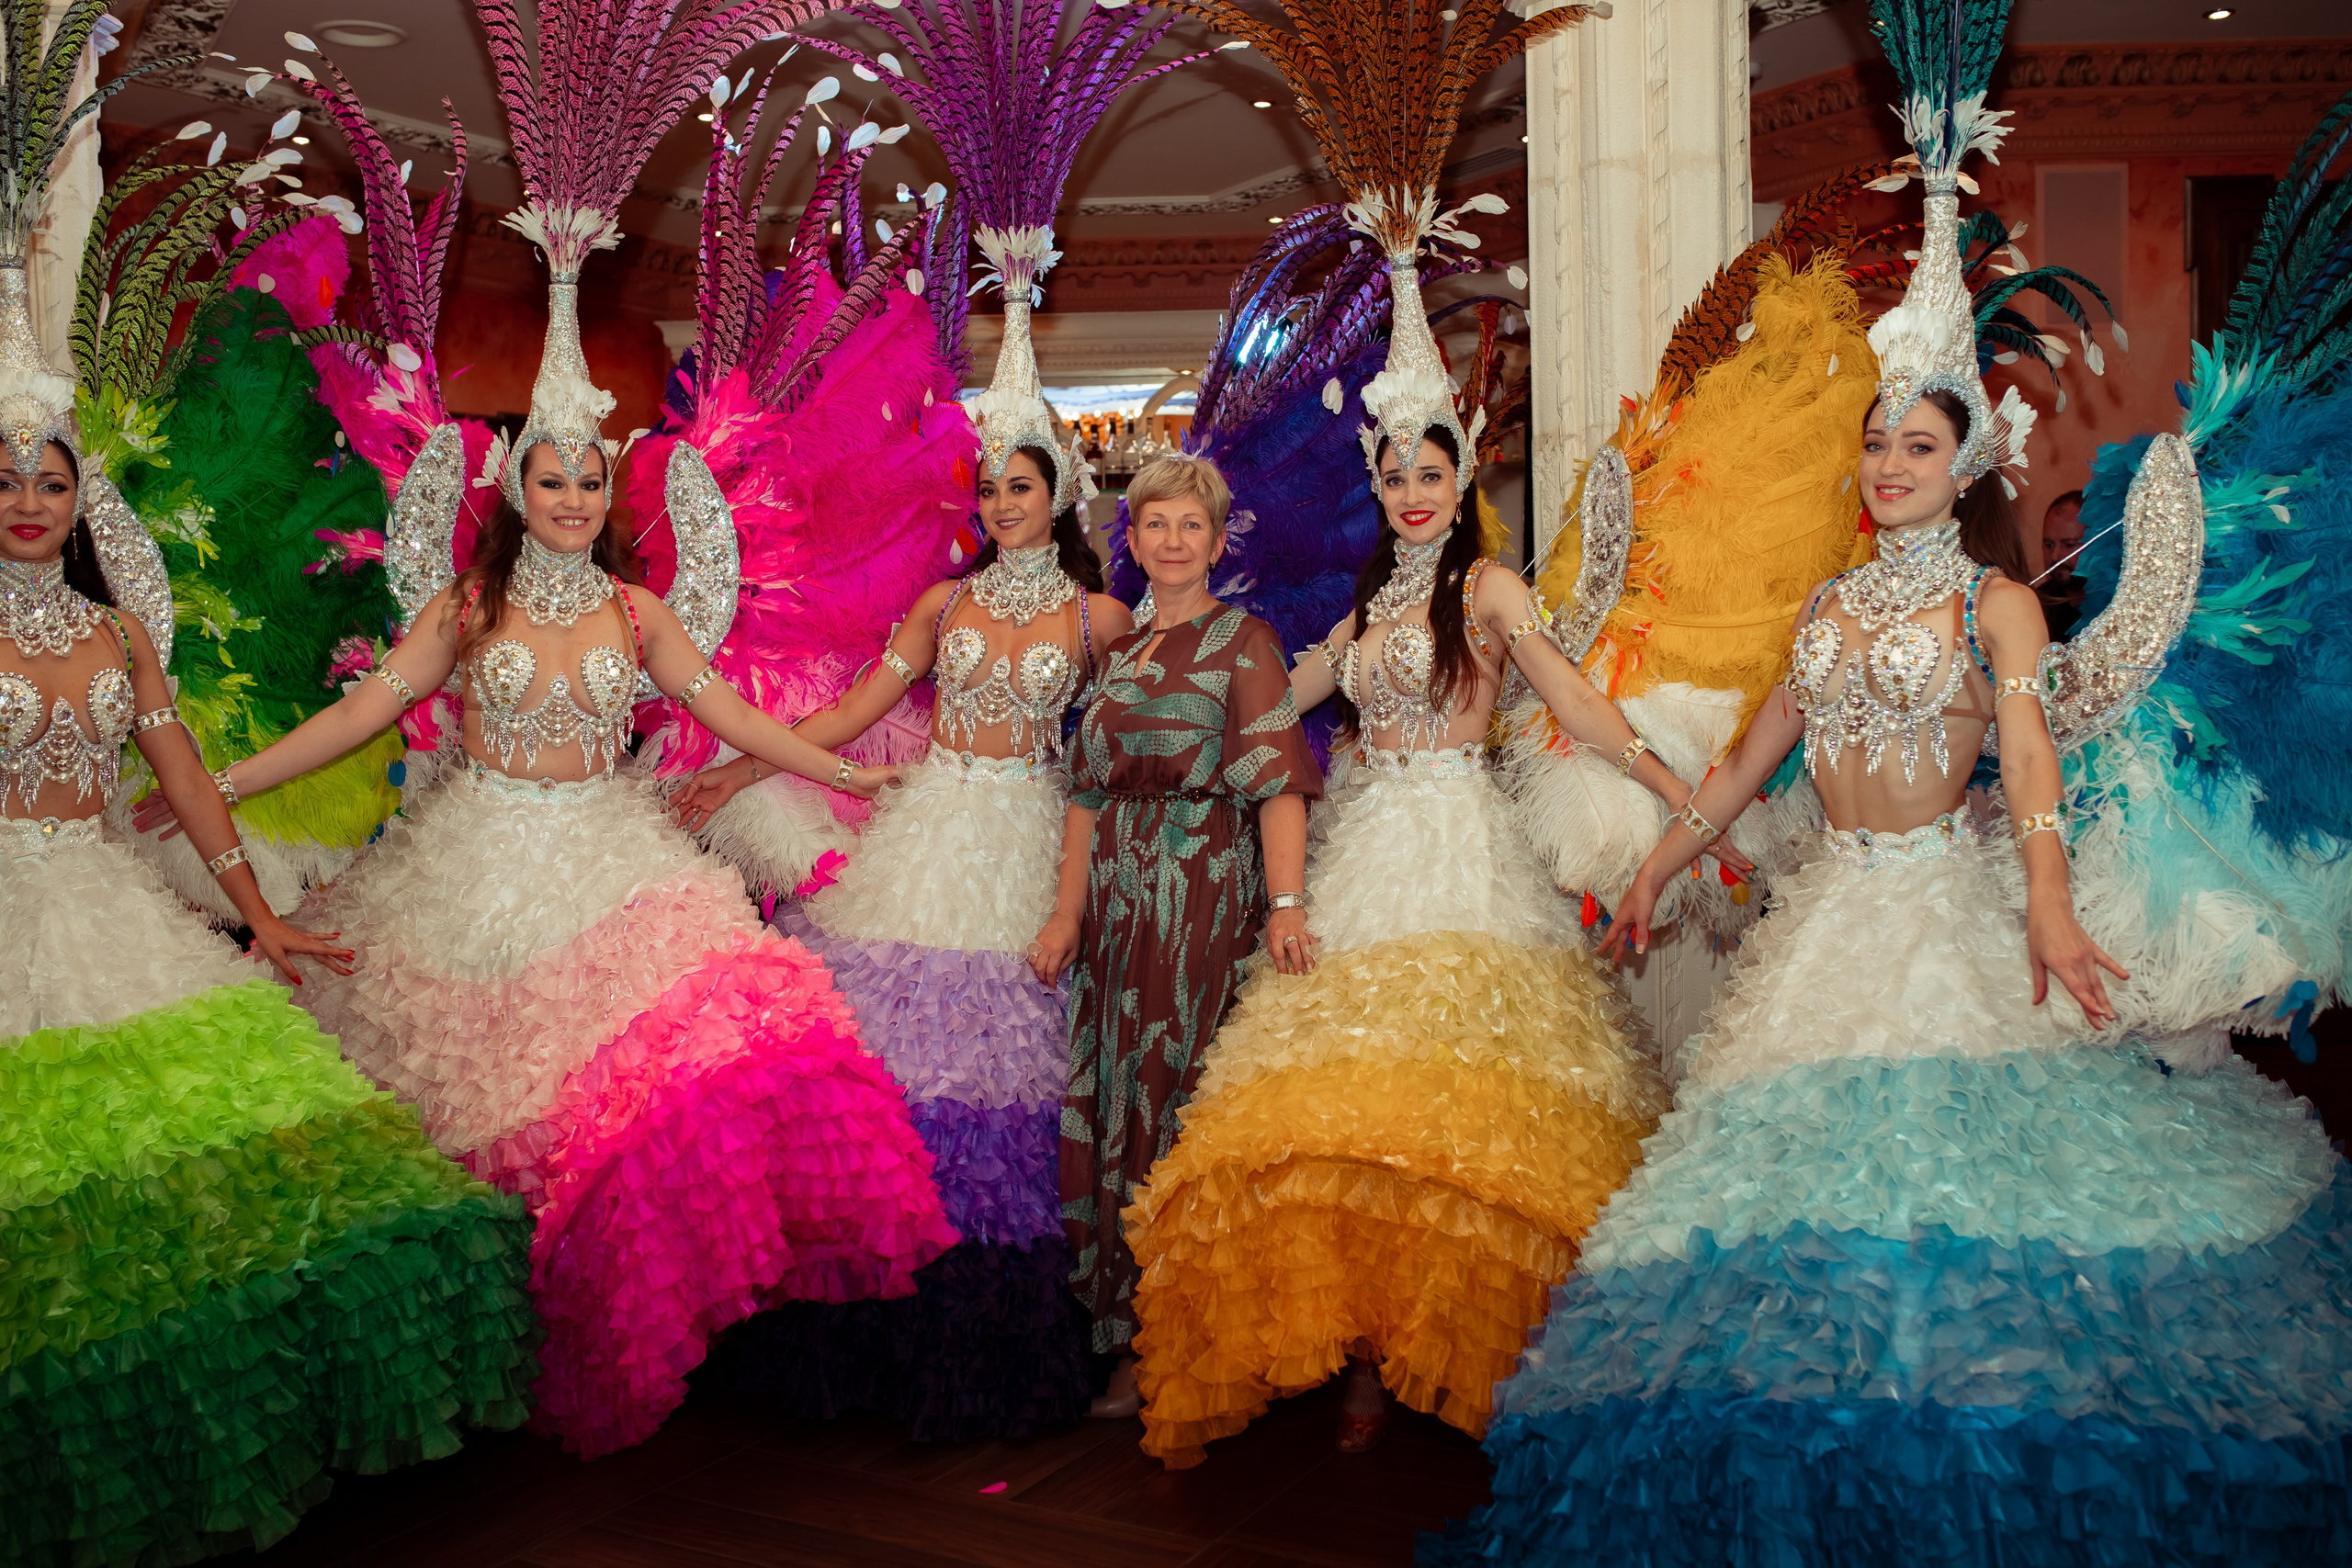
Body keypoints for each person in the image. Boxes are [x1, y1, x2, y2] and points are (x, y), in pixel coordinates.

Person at [1428, 21, 2352, 1555]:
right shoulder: (1830, 606)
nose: (1884, 463)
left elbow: (2036, 756)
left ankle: (1953, 1464)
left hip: (1956, 916)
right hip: (1827, 919)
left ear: (1962, 454)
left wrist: (2051, 907)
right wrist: (1664, 861)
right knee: (1789, 1198)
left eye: (1914, 444)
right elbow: (1748, 756)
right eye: (1874, 441)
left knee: (1960, 1196)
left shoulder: (1993, 606)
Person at [1, 423, 537, 1555]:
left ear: (78, 504)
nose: (31, 501)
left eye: (52, 481)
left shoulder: (118, 631)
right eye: (6, 481)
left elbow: (183, 773)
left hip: (106, 906)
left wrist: (258, 913)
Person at [673, 427, 1128, 1438]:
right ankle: (866, 1333)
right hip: (926, 832)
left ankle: (1004, 1336)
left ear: (1058, 498)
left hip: (1028, 841)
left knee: (1011, 1072)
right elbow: (848, 710)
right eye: (991, 489)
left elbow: (1129, 742)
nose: (1003, 503)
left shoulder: (1102, 618)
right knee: (887, 1064)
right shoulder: (944, 604)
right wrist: (744, 769)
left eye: (1021, 487)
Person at [1048, 451, 1322, 1418]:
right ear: (1133, 537)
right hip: (1116, 904)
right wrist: (1067, 912)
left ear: (1216, 539)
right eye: (1155, 523)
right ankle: (1120, 1328)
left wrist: (1285, 908)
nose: (1172, 540)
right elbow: (1084, 790)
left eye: (1190, 525)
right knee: (1115, 1095)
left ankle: (1182, 1335)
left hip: (1202, 892)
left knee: (1178, 1099)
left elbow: (1278, 780)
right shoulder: (1115, 655)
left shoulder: (1246, 642)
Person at [2037, 487, 2086, 638]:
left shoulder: (2117, 603)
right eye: (2049, 545)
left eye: (2069, 544)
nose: (2055, 556)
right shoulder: (2039, 603)